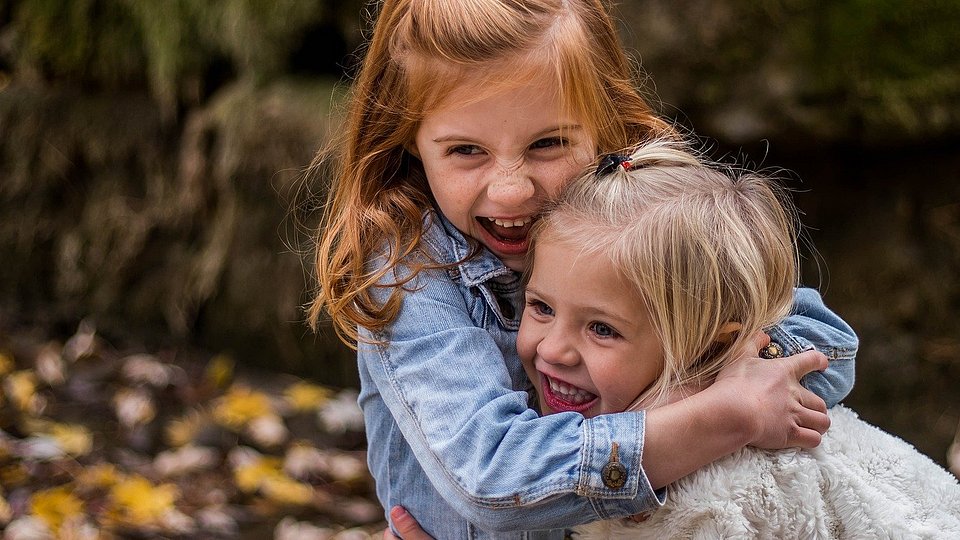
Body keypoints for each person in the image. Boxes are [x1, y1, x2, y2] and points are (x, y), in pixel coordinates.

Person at [306, 0, 857, 537]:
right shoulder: (409, 269)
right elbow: (494, 479)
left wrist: (682, 389)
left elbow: (826, 343)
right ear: (408, 141)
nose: (511, 189)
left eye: (548, 144)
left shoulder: (640, 221)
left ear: (605, 123)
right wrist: (720, 416)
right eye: (466, 151)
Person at [518, 139, 960, 538]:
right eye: (541, 307)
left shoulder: (726, 494)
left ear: (711, 348)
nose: (552, 349)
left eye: (602, 329)